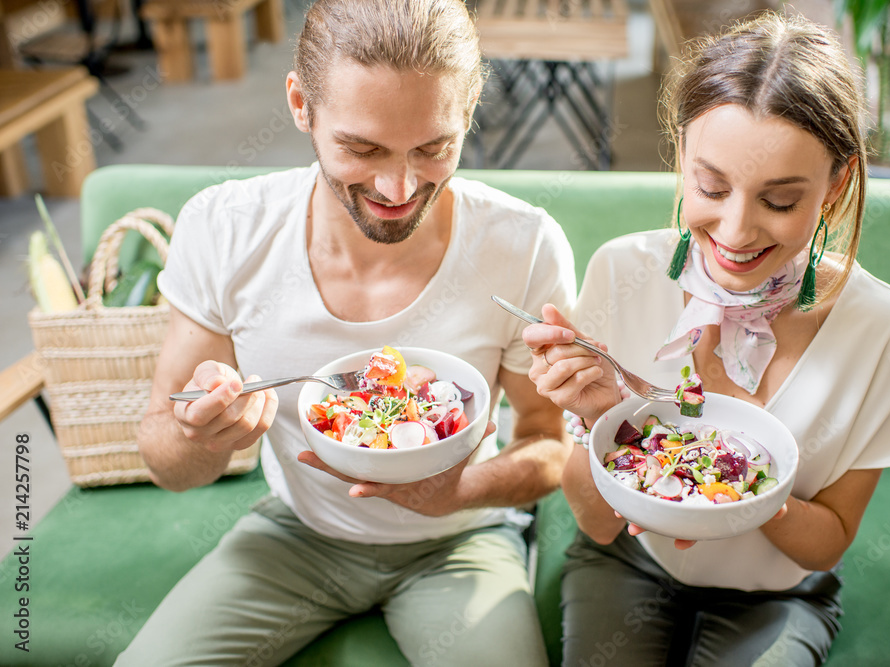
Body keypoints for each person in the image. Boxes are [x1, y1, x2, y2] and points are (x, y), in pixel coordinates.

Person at [116, 1, 575, 665]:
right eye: (362, 149)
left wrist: (456, 490)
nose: (398, 186)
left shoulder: (524, 246)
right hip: (297, 535)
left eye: (434, 147)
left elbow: (550, 444)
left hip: (460, 542)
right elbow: (165, 456)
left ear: (469, 110)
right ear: (301, 105)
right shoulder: (225, 229)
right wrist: (198, 432)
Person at [522, 12, 890, 667]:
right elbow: (599, 523)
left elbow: (825, 543)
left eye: (778, 200)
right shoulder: (623, 272)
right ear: (682, 154)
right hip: (628, 562)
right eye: (711, 187)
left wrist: (739, 480)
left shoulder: (885, 332)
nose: (737, 231)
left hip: (779, 595)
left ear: (835, 186)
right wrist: (606, 414)